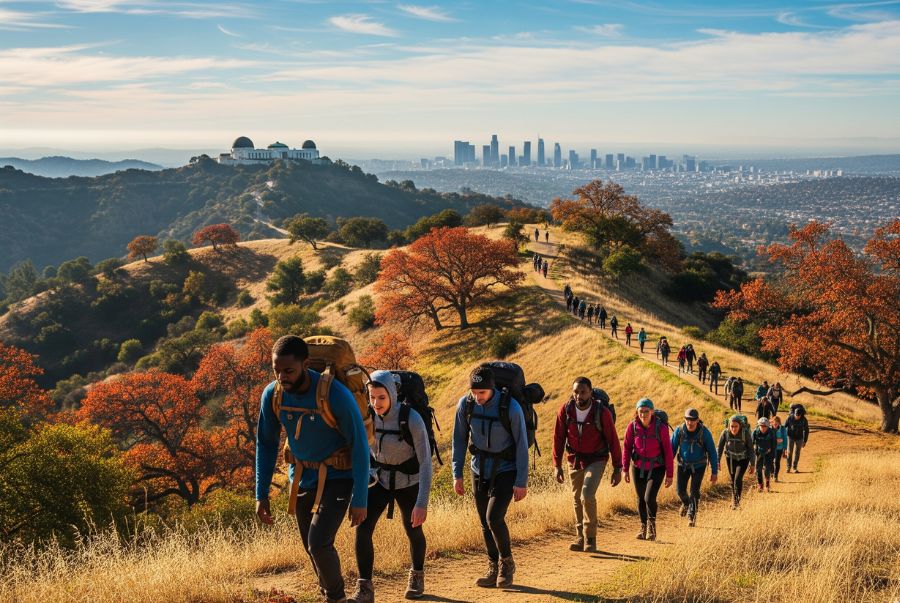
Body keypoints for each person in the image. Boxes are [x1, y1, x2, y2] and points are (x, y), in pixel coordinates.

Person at [256, 336, 371, 603]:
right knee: (311, 548)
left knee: (318, 543)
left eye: (288, 371)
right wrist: (261, 494)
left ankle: (336, 598)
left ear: (305, 364)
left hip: (339, 477)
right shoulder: (272, 395)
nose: (282, 377)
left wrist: (360, 498)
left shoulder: (335, 394)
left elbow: (360, 446)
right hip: (302, 478)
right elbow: (266, 443)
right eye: (277, 371)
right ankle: (327, 593)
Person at [352, 371, 432, 602]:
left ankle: (417, 576)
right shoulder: (367, 417)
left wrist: (421, 503)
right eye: (372, 397)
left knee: (413, 529)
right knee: (363, 529)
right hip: (379, 480)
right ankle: (365, 588)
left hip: (410, 482)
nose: (376, 403)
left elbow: (426, 462)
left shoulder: (412, 418)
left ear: (392, 396)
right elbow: (361, 451)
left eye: (381, 398)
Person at [452, 366, 528, 589]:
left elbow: (522, 445)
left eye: (482, 393)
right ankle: (493, 567)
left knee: (494, 518)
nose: (477, 397)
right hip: (478, 469)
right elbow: (458, 440)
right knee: (484, 523)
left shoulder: (510, 407)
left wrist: (521, 481)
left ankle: (507, 563)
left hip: (506, 469)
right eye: (474, 392)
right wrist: (457, 473)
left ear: (492, 389)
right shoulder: (465, 405)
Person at [552, 378, 623, 552]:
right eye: (576, 392)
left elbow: (613, 440)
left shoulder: (601, 412)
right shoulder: (566, 410)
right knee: (576, 498)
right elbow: (558, 438)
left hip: (597, 458)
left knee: (587, 494)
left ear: (591, 392)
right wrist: (557, 465)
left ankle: (591, 538)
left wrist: (617, 467)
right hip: (574, 459)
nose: (579, 396)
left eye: (583, 392)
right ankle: (580, 537)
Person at [622, 398, 674, 541]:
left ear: (652, 411)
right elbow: (626, 448)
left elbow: (668, 452)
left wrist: (670, 474)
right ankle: (643, 527)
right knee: (640, 499)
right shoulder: (632, 427)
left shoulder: (661, 428)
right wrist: (625, 469)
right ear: (637, 412)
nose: (643, 414)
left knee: (649, 497)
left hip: (657, 467)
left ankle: (652, 527)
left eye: (646, 411)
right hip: (637, 467)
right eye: (641, 411)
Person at [670, 408, 718, 527]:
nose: (690, 423)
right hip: (683, 465)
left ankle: (692, 516)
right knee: (680, 491)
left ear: (697, 420)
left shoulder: (704, 433)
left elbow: (712, 452)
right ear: (684, 419)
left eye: (692, 420)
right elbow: (672, 449)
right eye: (687, 420)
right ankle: (686, 503)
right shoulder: (679, 431)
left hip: (699, 466)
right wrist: (667, 467)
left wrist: (714, 472)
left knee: (694, 491)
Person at [717, 415, 755, 509]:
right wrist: (717, 461)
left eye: (736, 426)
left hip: (743, 459)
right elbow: (720, 447)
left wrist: (752, 464)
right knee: (733, 479)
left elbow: (751, 449)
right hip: (730, 459)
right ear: (729, 426)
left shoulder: (745, 433)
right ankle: (734, 498)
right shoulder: (725, 433)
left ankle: (736, 502)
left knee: (738, 479)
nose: (733, 429)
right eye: (732, 426)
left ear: (740, 426)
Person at [752, 417, 777, 492]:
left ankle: (767, 484)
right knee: (758, 470)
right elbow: (751, 443)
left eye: (764, 426)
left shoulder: (772, 432)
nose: (762, 428)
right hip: (759, 453)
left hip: (768, 454)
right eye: (761, 426)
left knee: (767, 470)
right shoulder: (755, 432)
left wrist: (773, 456)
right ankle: (760, 485)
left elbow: (774, 445)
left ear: (767, 426)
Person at [785, 405, 809, 473]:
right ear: (794, 413)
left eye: (798, 416)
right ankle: (788, 467)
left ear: (801, 415)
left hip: (799, 438)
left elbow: (806, 430)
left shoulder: (804, 420)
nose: (797, 417)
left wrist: (805, 441)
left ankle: (794, 467)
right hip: (790, 437)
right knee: (789, 453)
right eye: (796, 415)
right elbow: (784, 427)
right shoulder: (789, 418)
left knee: (797, 453)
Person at [771, 415, 788, 482]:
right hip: (771, 448)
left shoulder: (783, 429)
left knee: (777, 462)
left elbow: (785, 439)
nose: (775, 425)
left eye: (776, 424)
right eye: (774, 424)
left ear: (779, 423)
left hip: (779, 448)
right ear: (772, 423)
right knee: (770, 462)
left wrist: (785, 449)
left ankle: (775, 476)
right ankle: (772, 473)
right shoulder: (769, 428)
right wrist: (776, 440)